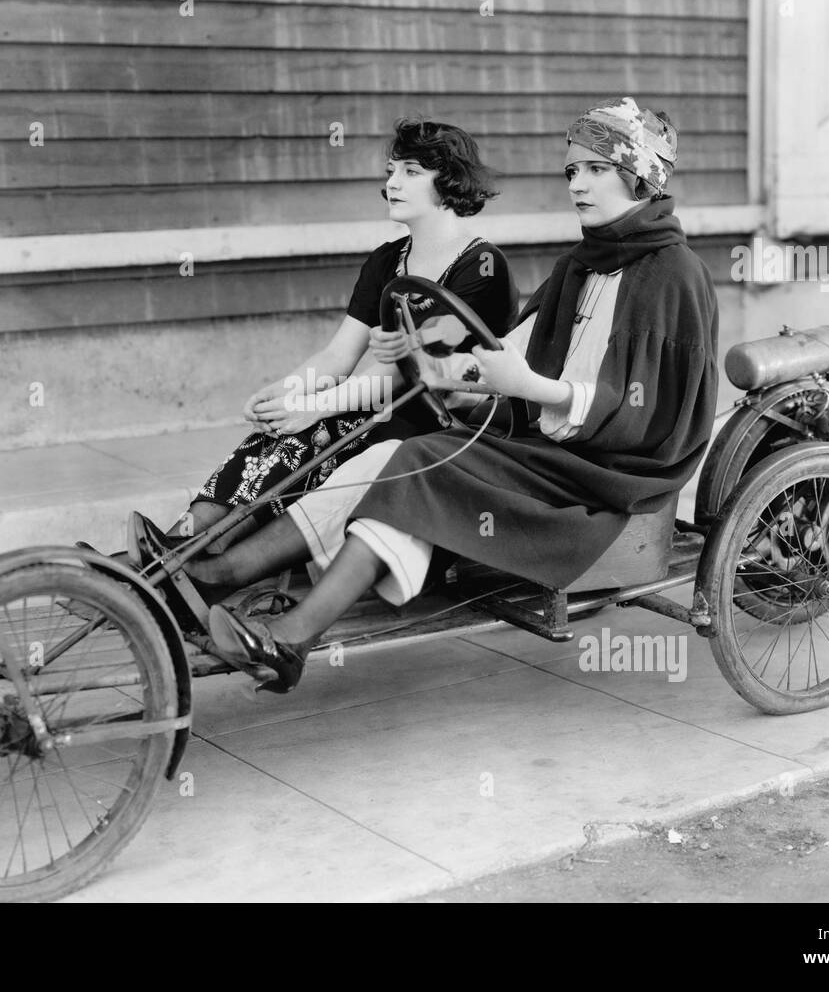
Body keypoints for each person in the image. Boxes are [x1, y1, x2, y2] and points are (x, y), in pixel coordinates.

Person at [177, 97, 719, 693]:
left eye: (595, 169)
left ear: (641, 176)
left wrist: (529, 388)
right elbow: (506, 348)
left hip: (607, 471)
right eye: (572, 171)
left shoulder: (674, 274)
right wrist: (452, 372)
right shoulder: (582, 264)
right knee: (394, 458)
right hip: (547, 445)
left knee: (420, 459)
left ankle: (271, 618)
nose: (577, 185)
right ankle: (227, 581)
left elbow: (652, 416)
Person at [158, 118, 517, 552]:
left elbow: (406, 371)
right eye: (392, 170)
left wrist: (312, 407)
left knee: (317, 428)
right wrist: (285, 393)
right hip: (389, 404)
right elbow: (338, 356)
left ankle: (202, 557)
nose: (394, 182)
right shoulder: (387, 260)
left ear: (451, 182)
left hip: (450, 422)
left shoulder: (482, 267)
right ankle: (180, 542)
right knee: (279, 432)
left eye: (411, 171)